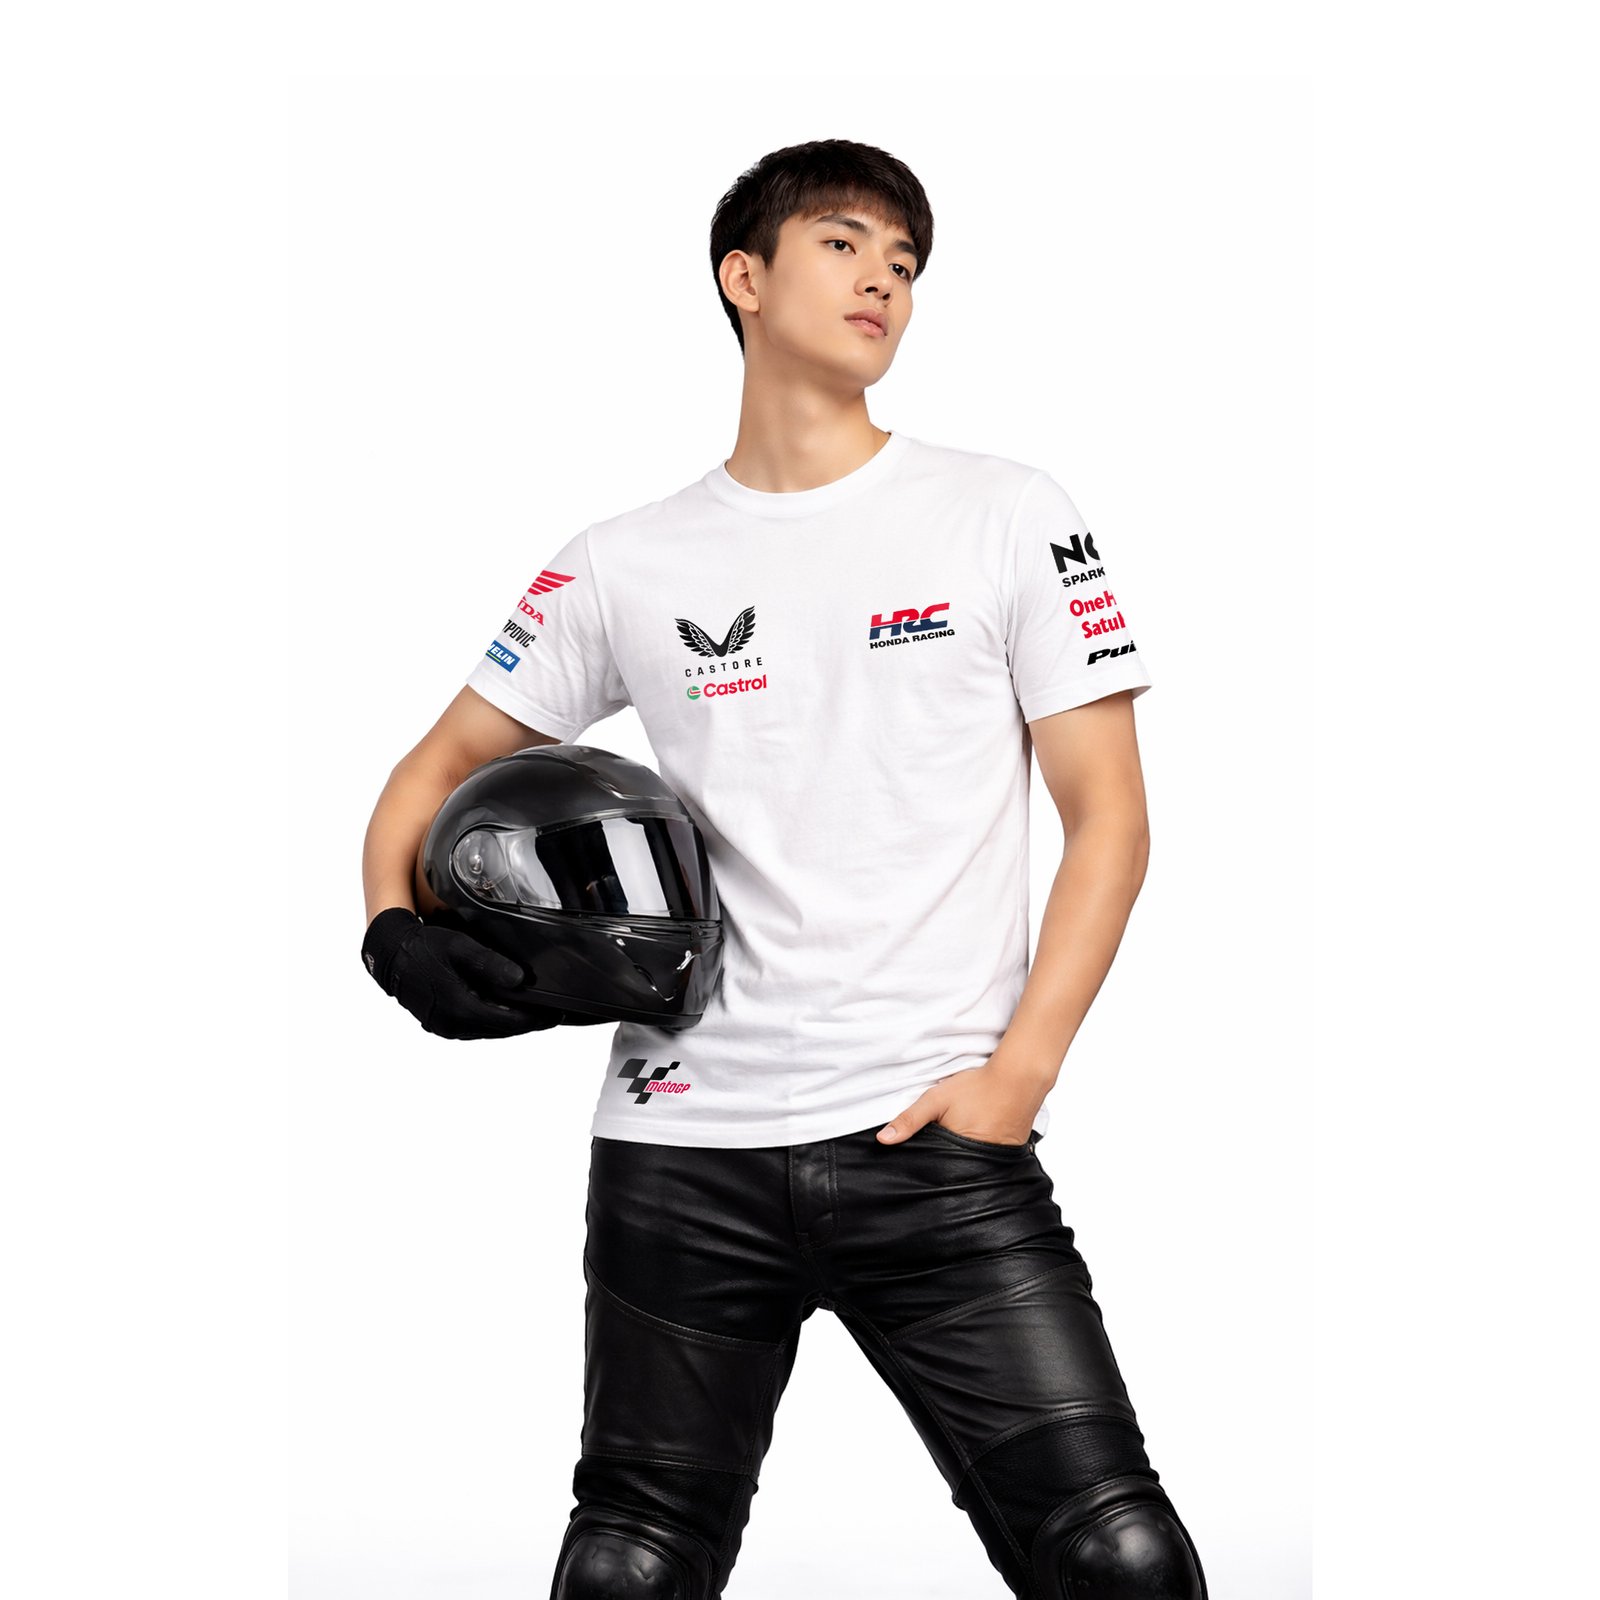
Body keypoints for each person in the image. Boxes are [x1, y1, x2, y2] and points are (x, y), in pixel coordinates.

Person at [360, 138, 1208, 1600]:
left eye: (906, 261)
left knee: (1115, 1556)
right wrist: (395, 929)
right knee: (628, 1567)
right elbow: (433, 769)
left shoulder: (1006, 512)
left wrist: (1015, 1081)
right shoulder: (622, 561)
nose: (884, 278)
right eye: (843, 242)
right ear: (743, 278)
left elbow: (1111, 818)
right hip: (677, 1156)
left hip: (934, 1148)